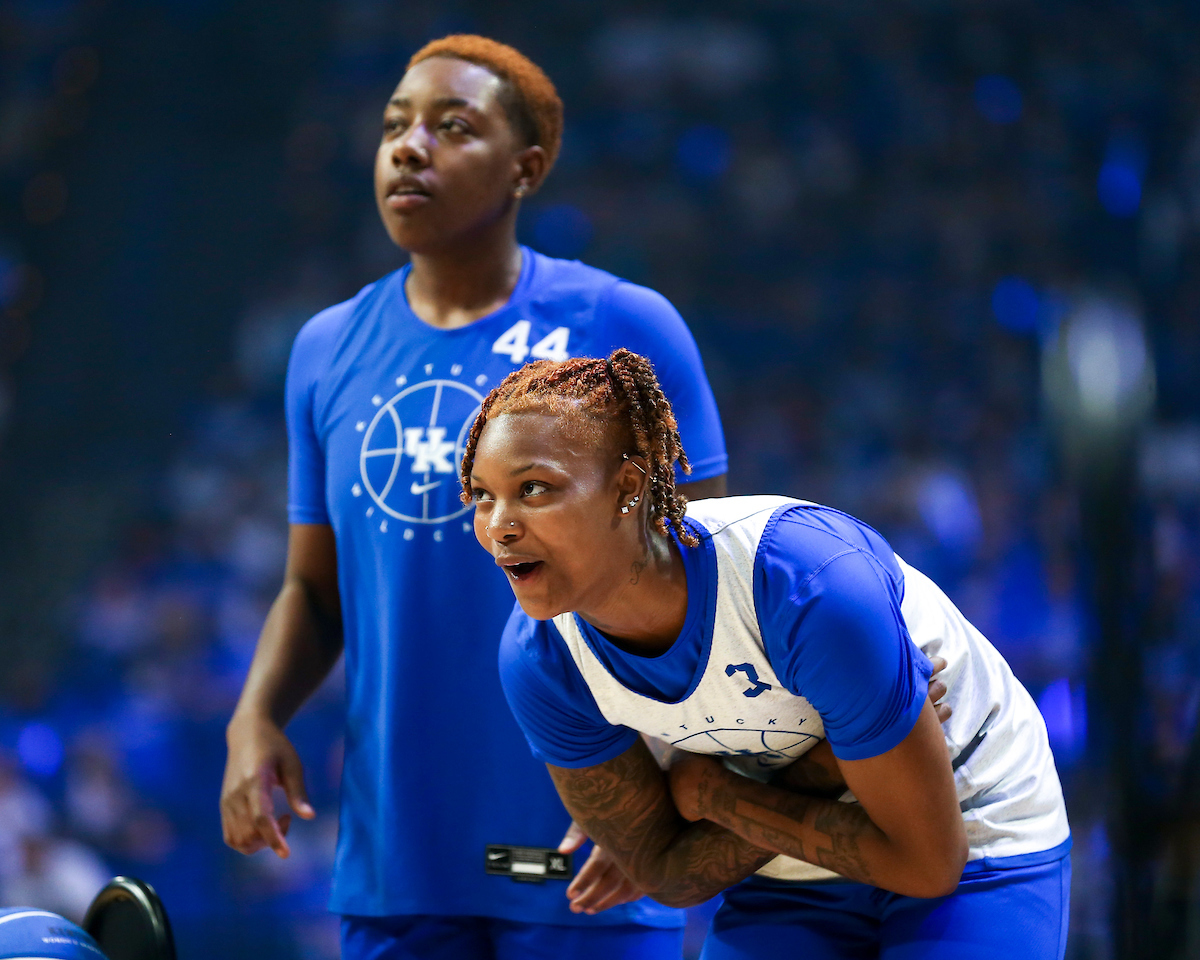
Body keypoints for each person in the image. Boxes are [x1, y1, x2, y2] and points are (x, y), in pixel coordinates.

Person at [219, 35, 729, 960]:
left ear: (525, 168)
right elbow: (315, 590)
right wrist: (255, 718)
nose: (410, 147)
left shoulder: (621, 324)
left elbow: (715, 578)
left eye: (452, 128)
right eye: (394, 128)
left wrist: (662, 784)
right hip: (397, 869)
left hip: (589, 856)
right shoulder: (325, 349)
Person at [464, 349, 1072, 959]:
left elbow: (926, 864)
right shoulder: (540, 661)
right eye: (482, 497)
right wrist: (823, 767)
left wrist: (717, 798)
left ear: (628, 486)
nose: (500, 526)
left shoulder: (807, 587)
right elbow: (666, 873)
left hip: (975, 822)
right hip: (794, 862)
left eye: (533, 489)